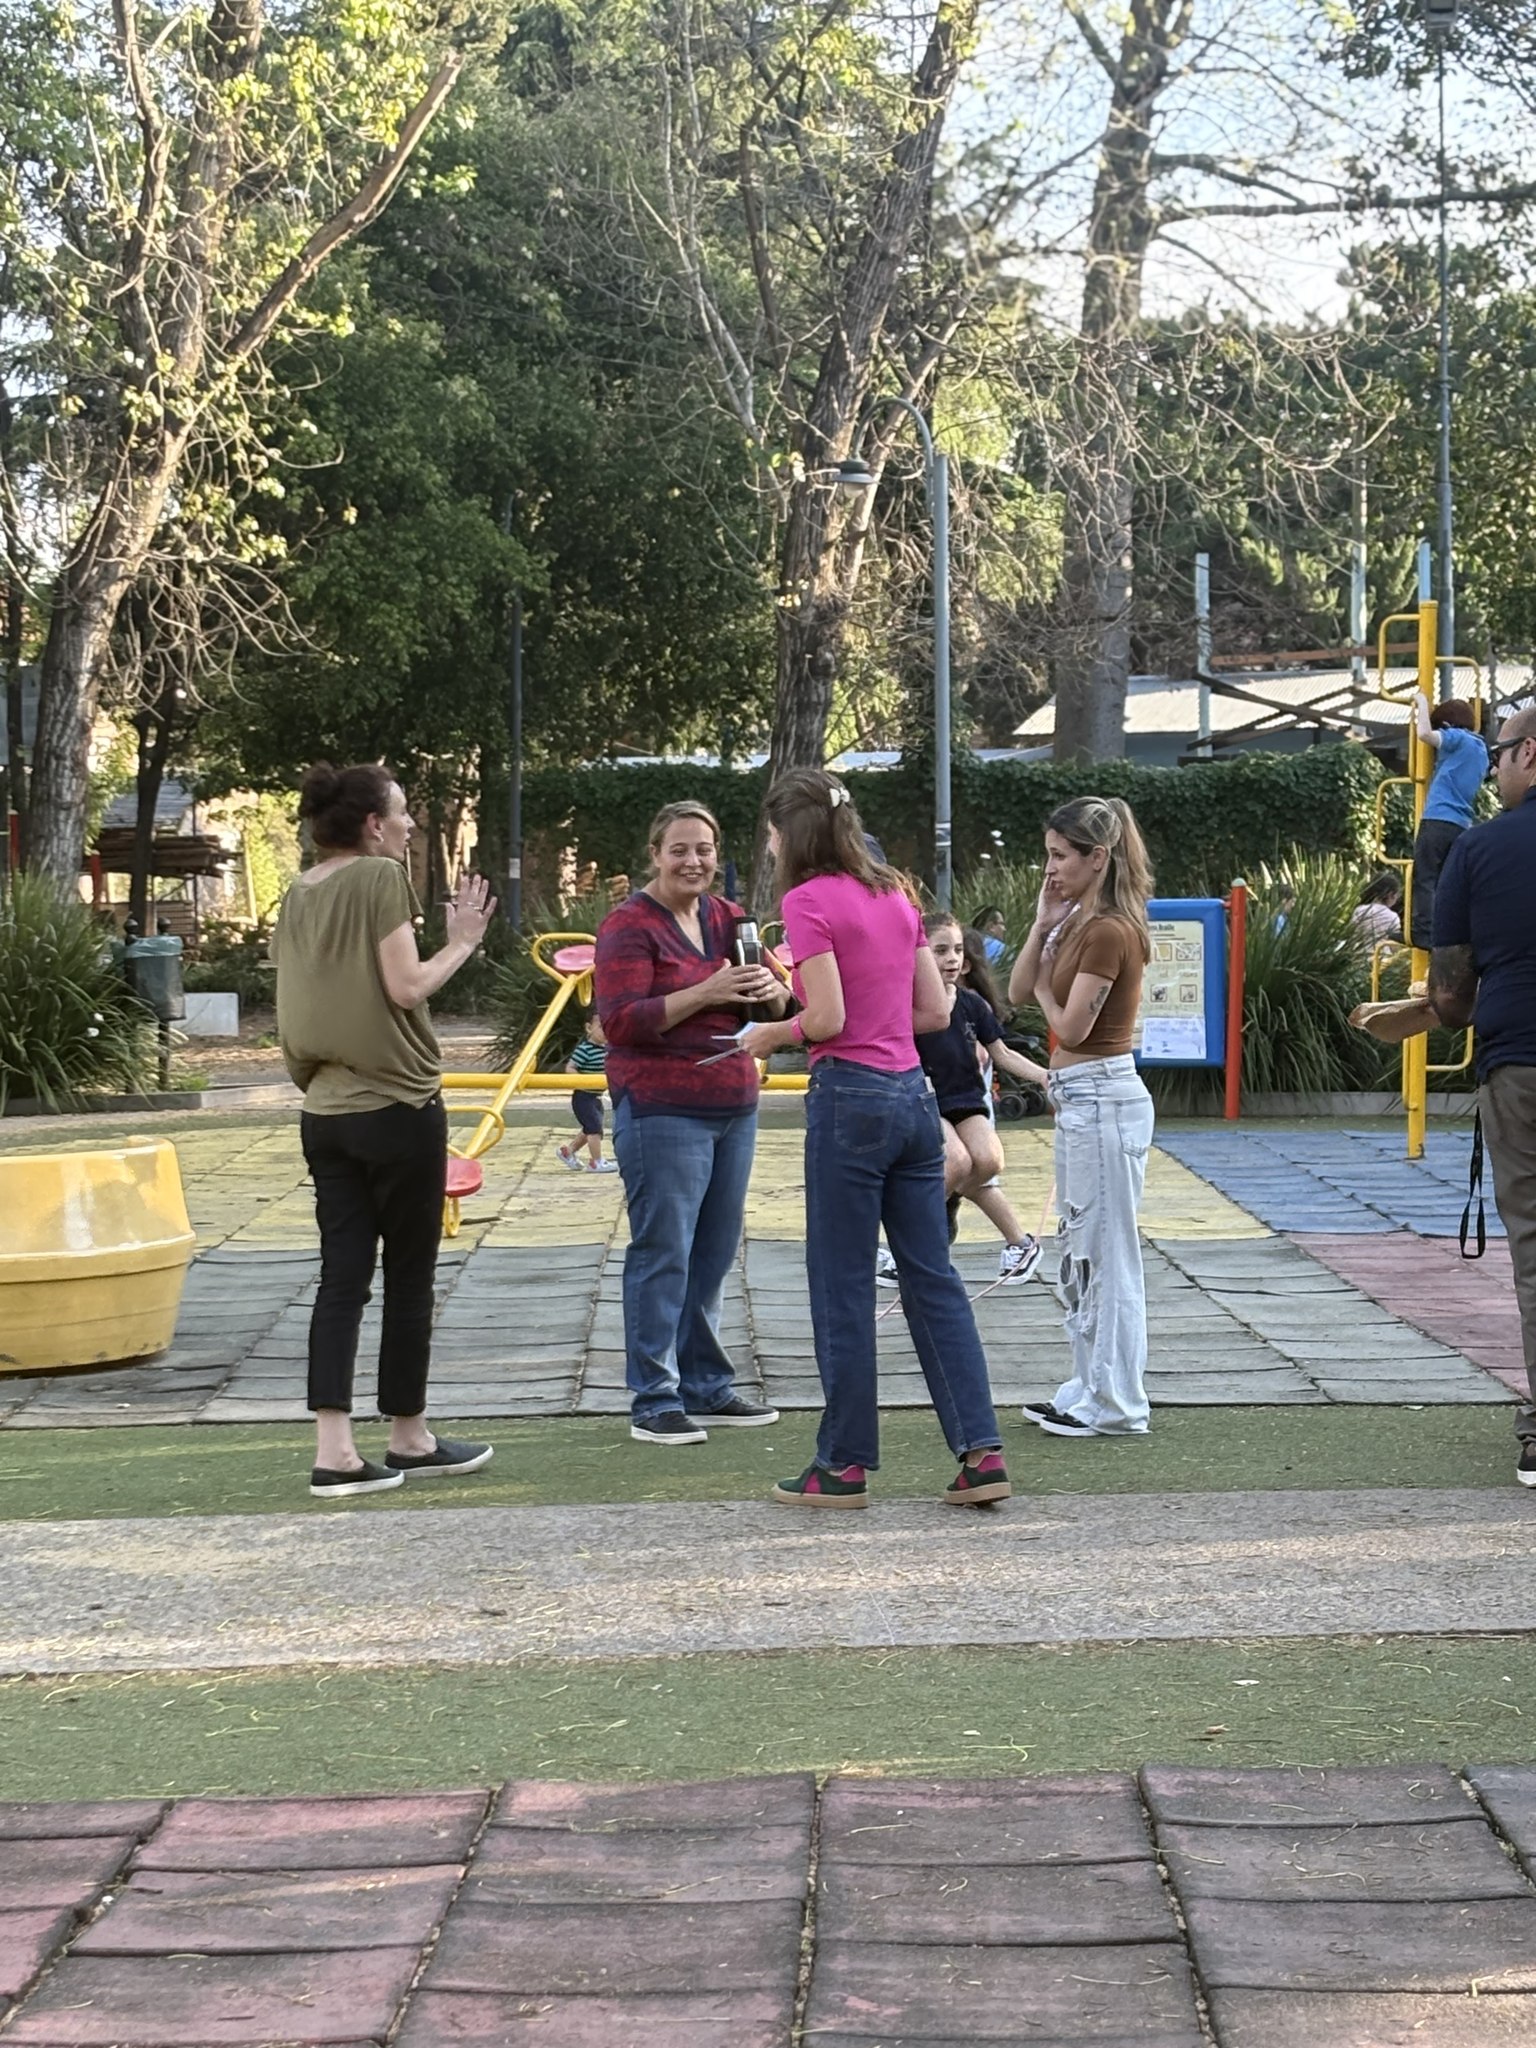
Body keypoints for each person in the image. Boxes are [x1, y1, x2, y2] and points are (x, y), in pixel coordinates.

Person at [739, 768, 1012, 1510]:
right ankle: (981, 1452)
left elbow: (825, 1019)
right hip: (913, 1100)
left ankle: (844, 1464)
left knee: (843, 1284)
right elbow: (934, 1010)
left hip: (849, 1100)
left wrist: (770, 1034)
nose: (770, 846)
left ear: (791, 833)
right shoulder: (896, 893)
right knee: (932, 1277)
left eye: (772, 832)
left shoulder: (805, 901)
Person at [272, 763, 497, 1499]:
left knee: (341, 1279)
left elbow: (301, 1002)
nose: (408, 825)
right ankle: (409, 1435)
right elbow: (407, 986)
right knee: (409, 1277)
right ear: (373, 825)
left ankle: (334, 1450)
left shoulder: (299, 891)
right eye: (400, 813)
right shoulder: (378, 877)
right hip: (397, 1107)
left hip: (324, 1112)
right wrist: (462, 941)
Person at [595, 801, 790, 1445]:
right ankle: (654, 1397)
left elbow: (779, 1003)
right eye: (679, 849)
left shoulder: (731, 918)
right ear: (655, 854)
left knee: (713, 1254)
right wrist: (706, 992)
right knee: (663, 1252)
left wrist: (774, 994)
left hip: (734, 1104)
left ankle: (706, 1385)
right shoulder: (627, 926)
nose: (693, 861)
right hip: (662, 1109)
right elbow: (620, 1021)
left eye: (704, 849)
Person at [1007, 794, 1156, 1438]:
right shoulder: (1076, 922)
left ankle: (1117, 1403)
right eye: (1047, 855)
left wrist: (1046, 984)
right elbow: (1016, 991)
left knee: (1107, 1254)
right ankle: (1089, 1386)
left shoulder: (1110, 930)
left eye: (1060, 856)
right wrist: (1042, 926)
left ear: (1098, 858)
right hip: (1082, 1098)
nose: (1050, 868)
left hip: (1103, 1095)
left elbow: (1068, 1027)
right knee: (1082, 1250)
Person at [1423, 705, 1536, 1489]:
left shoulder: (1479, 847)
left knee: (1533, 1245)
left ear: (1530, 754)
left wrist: (1449, 1006)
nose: (1493, 769)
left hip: (1518, 1061)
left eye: (1500, 754)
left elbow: (1450, 990)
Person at [917, 911, 1048, 1284]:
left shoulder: (972, 1004)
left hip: (967, 1101)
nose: (952, 959)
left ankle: (1008, 1238)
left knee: (989, 1161)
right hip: (929, 1102)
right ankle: (908, 1245)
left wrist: (1044, 1076)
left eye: (958, 950)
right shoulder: (908, 1003)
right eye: (941, 950)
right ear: (919, 955)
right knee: (957, 1162)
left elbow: (1002, 1053)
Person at [1410, 696, 1489, 951]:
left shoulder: (1457, 738)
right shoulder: (1481, 750)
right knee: (1447, 883)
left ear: (1446, 724)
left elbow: (1424, 734)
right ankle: (1448, 936)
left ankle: (1423, 934)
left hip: (1438, 817)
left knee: (1425, 878)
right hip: (1461, 824)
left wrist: (1422, 703)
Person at [556, 1012, 618, 1173]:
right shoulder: (585, 1050)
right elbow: (570, 1067)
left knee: (590, 1127)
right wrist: (580, 1080)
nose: (606, 1031)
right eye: (601, 1027)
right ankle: (596, 1162)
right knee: (594, 1129)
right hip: (584, 1096)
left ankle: (568, 1151)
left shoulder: (607, 1050)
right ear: (589, 1028)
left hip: (596, 1096)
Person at [1351, 871, 1403, 948]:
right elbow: (1394, 946)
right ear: (1391, 894)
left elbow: (1354, 937)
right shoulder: (1393, 917)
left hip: (1360, 953)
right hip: (1382, 954)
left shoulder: (1359, 910)